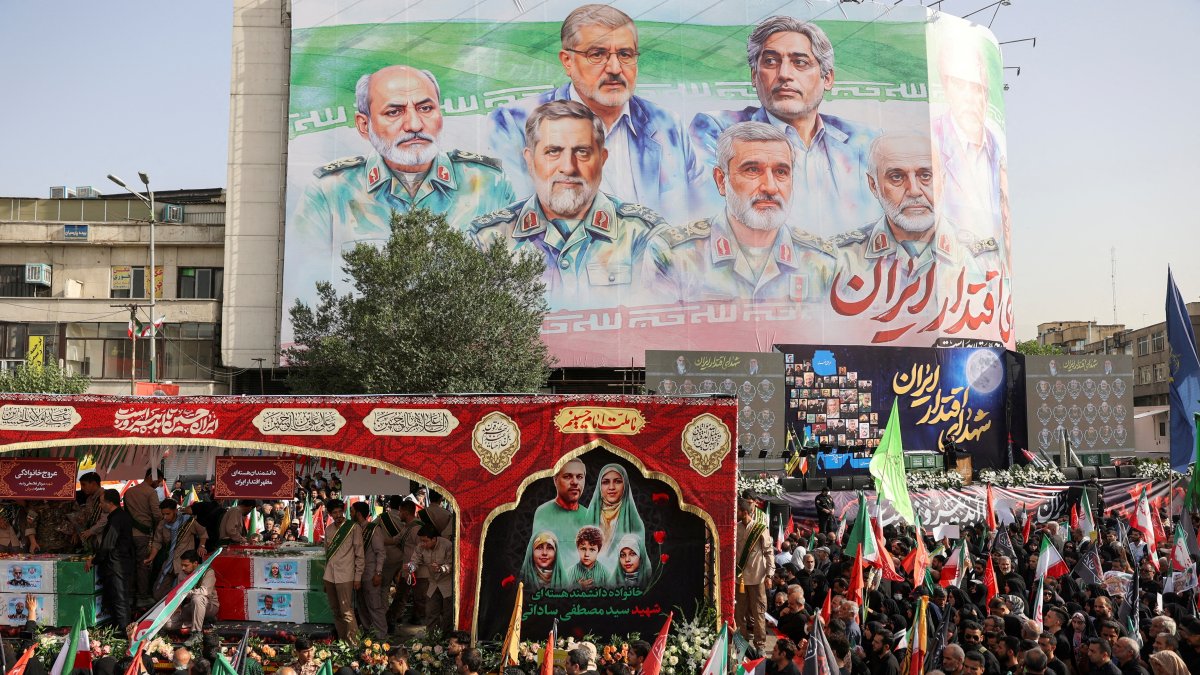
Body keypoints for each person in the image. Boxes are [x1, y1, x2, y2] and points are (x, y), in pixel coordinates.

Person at [287, 64, 515, 309]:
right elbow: (304, 289)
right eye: (394, 112)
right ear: (364, 125)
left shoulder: (489, 184)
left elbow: (518, 279)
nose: (415, 125)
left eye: (425, 108)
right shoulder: (329, 192)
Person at [487, 4, 698, 223]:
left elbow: (696, 216)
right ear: (567, 61)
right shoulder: (514, 124)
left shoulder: (668, 126)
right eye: (598, 54)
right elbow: (511, 223)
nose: (615, 68)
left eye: (625, 54)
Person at [689, 16, 880, 234]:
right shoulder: (718, 129)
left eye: (800, 62)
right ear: (754, 76)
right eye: (770, 61)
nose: (784, 74)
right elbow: (709, 212)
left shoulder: (865, 141)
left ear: (827, 78)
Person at [473, 100, 666, 311]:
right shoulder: (486, 239)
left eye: (582, 152)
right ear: (529, 160)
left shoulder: (644, 234)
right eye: (553, 151)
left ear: (602, 159)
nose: (568, 167)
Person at [829, 132, 1001, 338]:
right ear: (873, 185)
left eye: (925, 176)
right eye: (897, 177)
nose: (914, 190)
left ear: (942, 181)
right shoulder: (840, 258)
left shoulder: (982, 259)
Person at [645, 121, 836, 304]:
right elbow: (659, 336)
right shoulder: (673, 254)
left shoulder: (823, 262)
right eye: (752, 170)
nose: (770, 187)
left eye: (781, 172)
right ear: (721, 180)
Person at [930, 29, 1007, 243]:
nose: (968, 98)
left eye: (975, 88)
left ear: (986, 94)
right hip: (946, 262)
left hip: (988, 267)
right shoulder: (930, 140)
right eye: (958, 85)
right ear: (946, 89)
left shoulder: (996, 147)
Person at [528, 459, 592, 569]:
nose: (575, 482)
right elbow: (539, 558)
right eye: (568, 476)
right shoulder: (543, 513)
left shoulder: (589, 515)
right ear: (555, 479)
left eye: (579, 477)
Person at [88, 489, 134, 630]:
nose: (100, 506)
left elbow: (107, 545)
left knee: (119, 600)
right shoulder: (121, 516)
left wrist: (94, 560)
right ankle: (118, 628)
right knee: (117, 599)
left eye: (102, 503)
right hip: (121, 563)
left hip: (116, 565)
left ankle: (123, 632)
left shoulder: (116, 519)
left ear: (110, 503)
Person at [146, 498, 208, 600]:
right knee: (157, 594)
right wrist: (151, 557)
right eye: (163, 514)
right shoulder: (162, 524)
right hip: (169, 563)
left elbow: (202, 533)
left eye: (168, 514)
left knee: (181, 595)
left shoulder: (188, 522)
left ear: (175, 510)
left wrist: (201, 546)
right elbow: (157, 542)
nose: (165, 517)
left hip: (184, 564)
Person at [735, 498, 774, 651]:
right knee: (739, 614)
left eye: (738, 511)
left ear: (744, 512)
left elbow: (769, 552)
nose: (736, 513)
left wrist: (770, 575)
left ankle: (760, 645)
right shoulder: (735, 528)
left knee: (758, 614)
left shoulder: (760, 528)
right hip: (740, 578)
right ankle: (742, 644)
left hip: (758, 578)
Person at [322, 499, 364, 640]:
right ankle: (343, 642)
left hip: (346, 575)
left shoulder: (353, 527)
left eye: (340, 511)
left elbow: (360, 554)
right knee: (336, 611)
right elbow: (327, 555)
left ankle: (354, 644)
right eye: (335, 512)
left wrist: (358, 577)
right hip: (329, 576)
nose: (338, 515)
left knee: (346, 612)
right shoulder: (328, 529)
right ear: (330, 514)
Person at [588, 463, 645, 561]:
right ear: (599, 487)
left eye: (618, 481)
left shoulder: (634, 522)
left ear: (625, 485)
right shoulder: (589, 517)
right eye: (605, 482)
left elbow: (639, 560)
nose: (611, 487)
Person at [125, 469, 163, 606]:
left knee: (131, 565)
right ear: (151, 477)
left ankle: (129, 595)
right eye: (158, 481)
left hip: (129, 535)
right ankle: (142, 596)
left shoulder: (129, 492)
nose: (158, 484)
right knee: (143, 565)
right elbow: (157, 515)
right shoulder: (150, 492)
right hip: (143, 535)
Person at [351, 501, 387, 638]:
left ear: (359, 514)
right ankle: (368, 634)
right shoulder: (354, 528)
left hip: (371, 575)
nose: (351, 514)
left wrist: (378, 573)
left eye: (352, 511)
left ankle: (381, 637)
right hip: (357, 576)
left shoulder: (373, 529)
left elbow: (381, 553)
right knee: (361, 606)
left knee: (374, 606)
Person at [409, 526, 454, 636]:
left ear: (434, 539)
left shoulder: (447, 545)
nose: (423, 544)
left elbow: (451, 564)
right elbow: (415, 560)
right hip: (433, 583)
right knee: (430, 612)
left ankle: (446, 639)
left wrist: (441, 568)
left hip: (447, 584)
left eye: (425, 541)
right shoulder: (421, 546)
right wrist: (411, 567)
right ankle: (432, 639)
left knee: (448, 615)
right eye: (421, 541)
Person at [163, 551, 219, 633]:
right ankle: (198, 622)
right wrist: (177, 606)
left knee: (197, 598)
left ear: (195, 563)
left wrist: (185, 593)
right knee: (168, 624)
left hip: (209, 606)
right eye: (182, 565)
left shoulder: (207, 572)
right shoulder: (182, 574)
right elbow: (178, 594)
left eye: (186, 565)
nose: (183, 568)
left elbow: (204, 591)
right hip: (189, 607)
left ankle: (196, 633)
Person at [564, 525, 613, 590]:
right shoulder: (569, 574)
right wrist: (577, 587)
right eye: (583, 549)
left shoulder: (605, 574)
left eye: (592, 550)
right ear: (578, 548)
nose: (586, 554)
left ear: (598, 551)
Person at [76, 472, 107, 550]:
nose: (82, 488)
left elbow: (106, 518)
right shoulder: (89, 499)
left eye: (84, 484)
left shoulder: (105, 496)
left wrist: (91, 531)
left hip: (103, 538)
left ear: (93, 483)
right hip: (92, 539)